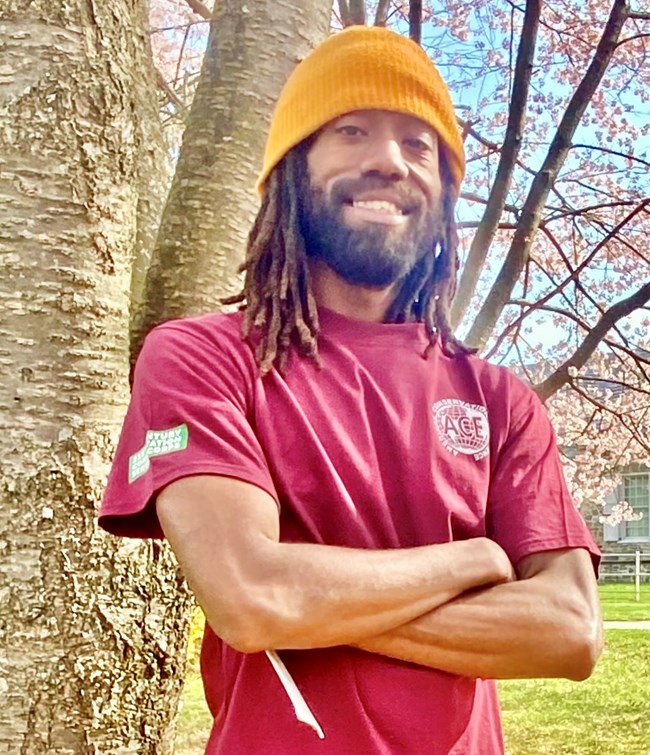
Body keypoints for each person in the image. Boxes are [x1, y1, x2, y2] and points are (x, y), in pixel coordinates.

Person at [99, 25, 602, 755]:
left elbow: (569, 628)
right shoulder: (203, 357)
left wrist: (309, 603)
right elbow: (251, 594)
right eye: (352, 130)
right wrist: (474, 560)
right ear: (292, 170)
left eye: (418, 143)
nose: (388, 161)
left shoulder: (499, 400)